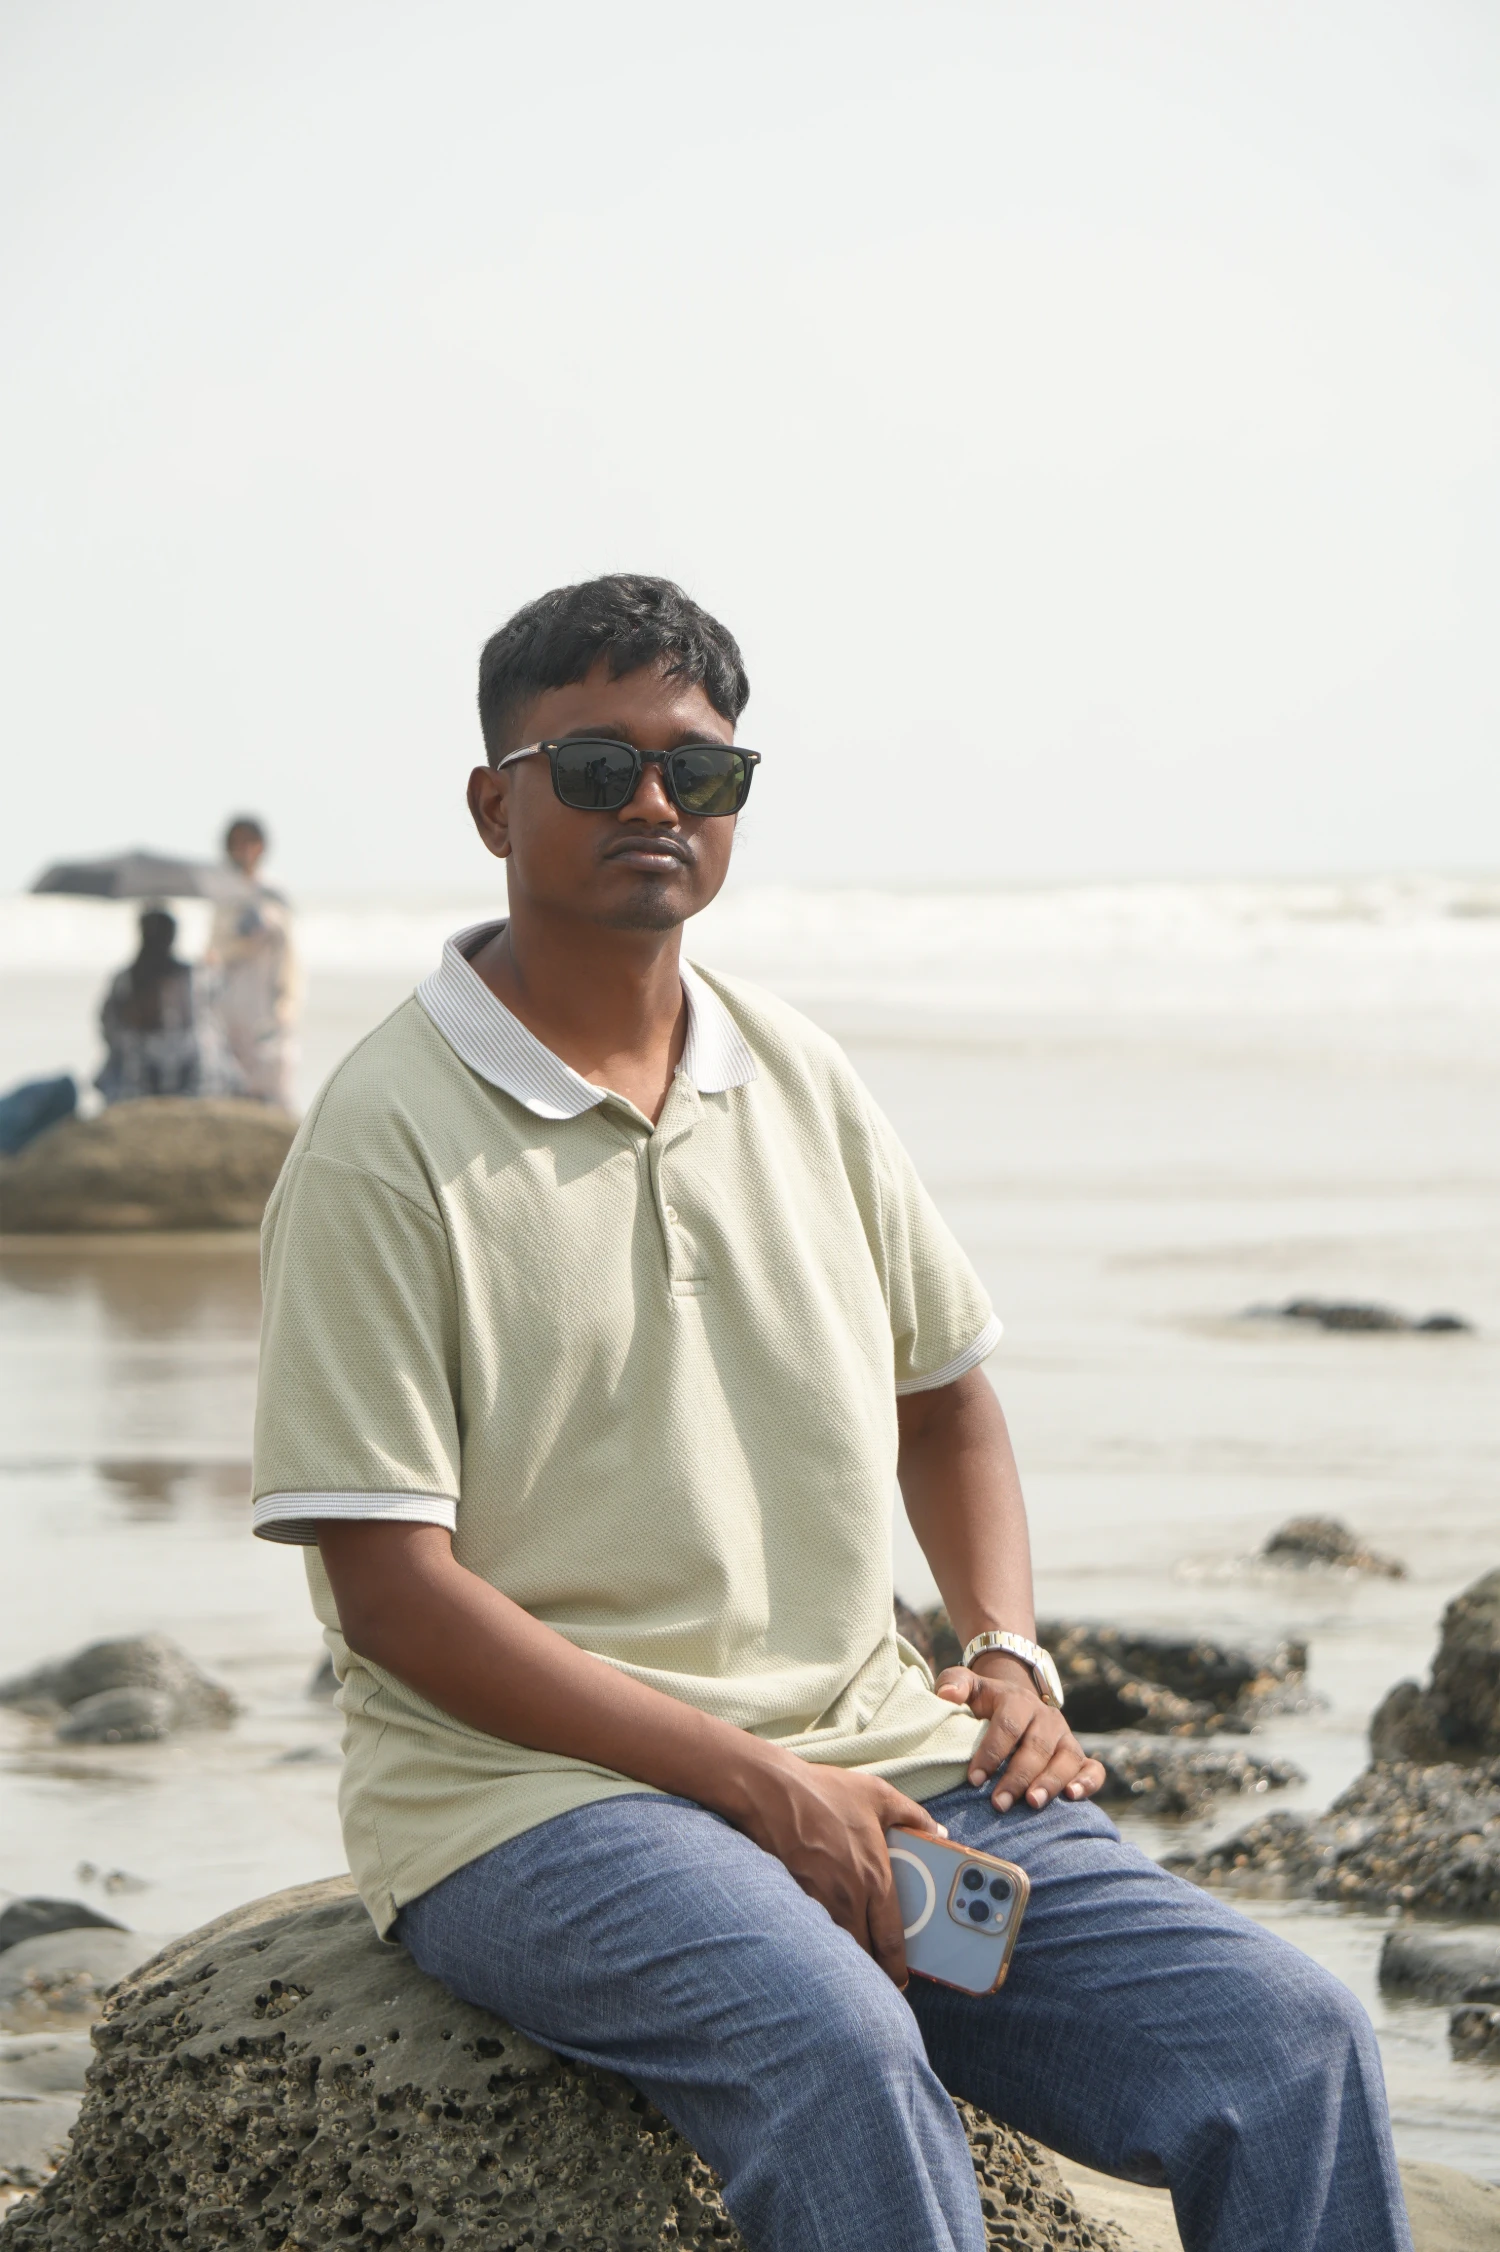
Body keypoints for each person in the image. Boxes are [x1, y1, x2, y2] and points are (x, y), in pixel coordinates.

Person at [250, 575, 1412, 2252]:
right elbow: (393, 1595)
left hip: (874, 1771)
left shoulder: (795, 1072)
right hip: (535, 1809)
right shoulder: (380, 1141)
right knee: (839, 2044)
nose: (655, 804)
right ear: (495, 798)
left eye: (702, 774)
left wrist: (1010, 1649)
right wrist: (752, 1786)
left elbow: (945, 1402)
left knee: (1287, 2045)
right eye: (597, 766)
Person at [203, 815, 299, 1110]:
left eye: (249, 843)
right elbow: (215, 949)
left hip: (266, 1001)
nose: (243, 850)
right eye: (237, 844)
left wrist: (288, 1003)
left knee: (273, 1082)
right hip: (230, 1002)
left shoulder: (274, 891)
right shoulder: (223, 893)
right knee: (230, 1083)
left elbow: (290, 958)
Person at [96, 907, 202, 1104]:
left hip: (177, 1076)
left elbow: (107, 1026)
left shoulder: (186, 977)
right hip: (140, 1078)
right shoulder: (128, 980)